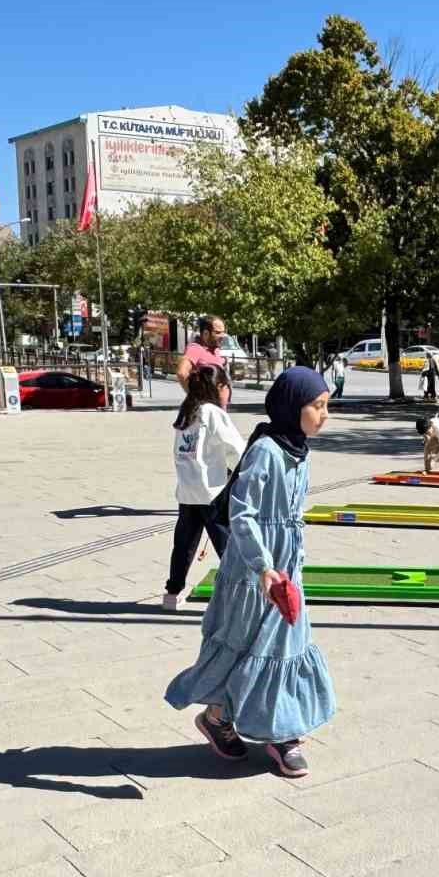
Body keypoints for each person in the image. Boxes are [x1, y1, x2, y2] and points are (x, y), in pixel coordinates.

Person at [164, 368, 336, 778]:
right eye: (318, 406)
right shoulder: (266, 452)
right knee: (243, 647)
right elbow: (243, 514)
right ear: (292, 408)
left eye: (326, 405)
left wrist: (292, 561)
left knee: (285, 646)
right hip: (253, 574)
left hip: (286, 572)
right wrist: (262, 567)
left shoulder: (298, 451)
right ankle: (221, 718)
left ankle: (281, 732)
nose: (325, 414)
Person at [163, 365, 244, 611]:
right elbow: (237, 450)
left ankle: (172, 593)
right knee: (228, 546)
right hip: (213, 490)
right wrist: (238, 473)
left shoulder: (187, 410)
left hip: (188, 490)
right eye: (227, 387)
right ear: (219, 387)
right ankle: (241, 594)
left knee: (184, 545)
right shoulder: (213, 413)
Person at [173, 315, 226, 388]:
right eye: (218, 332)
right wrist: (194, 395)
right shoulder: (195, 348)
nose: (222, 336)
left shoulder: (216, 349)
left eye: (223, 332)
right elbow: (181, 373)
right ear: (206, 333)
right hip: (205, 399)